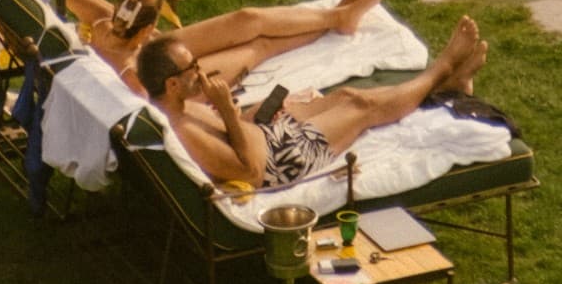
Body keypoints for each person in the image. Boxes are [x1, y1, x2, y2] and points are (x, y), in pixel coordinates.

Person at [139, 15, 488, 189]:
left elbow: (235, 135)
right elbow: (252, 172)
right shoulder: (183, 129)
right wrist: (229, 113)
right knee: (361, 107)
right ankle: (443, 68)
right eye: (192, 68)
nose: (200, 71)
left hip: (267, 133)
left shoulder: (180, 107)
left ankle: (451, 87)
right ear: (172, 83)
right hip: (283, 159)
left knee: (346, 95)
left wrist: (251, 114)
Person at [64, 0, 389, 97]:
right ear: (148, 27)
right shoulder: (129, 75)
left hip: (151, 48)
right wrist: (128, 46)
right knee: (258, 47)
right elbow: (147, 103)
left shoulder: (104, 29)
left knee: (247, 19)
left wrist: (122, 27)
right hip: (174, 85)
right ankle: (337, 21)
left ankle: (338, 15)